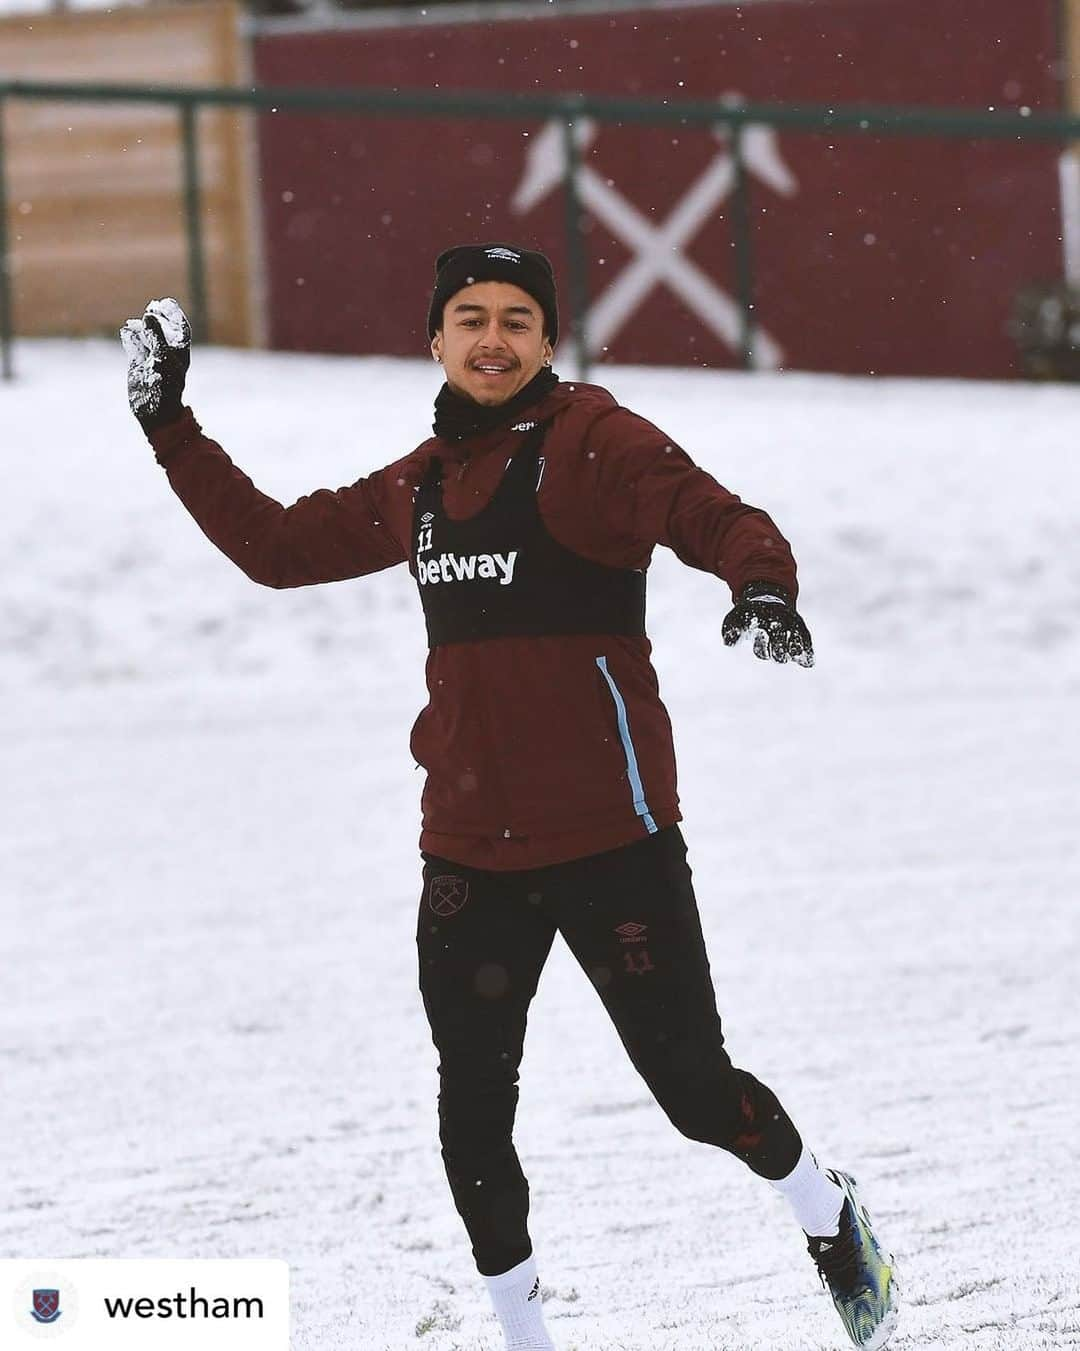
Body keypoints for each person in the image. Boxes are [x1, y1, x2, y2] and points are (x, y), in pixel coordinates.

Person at [120, 244, 899, 1351]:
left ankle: (825, 1211)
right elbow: (278, 547)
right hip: (469, 856)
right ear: (434, 340)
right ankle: (524, 1338)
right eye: (471, 318)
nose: (493, 339)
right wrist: (170, 430)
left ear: (549, 340)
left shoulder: (593, 442)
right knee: (473, 1115)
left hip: (610, 844)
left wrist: (761, 585)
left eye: (519, 320)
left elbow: (713, 513)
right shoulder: (421, 484)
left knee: (692, 1090)